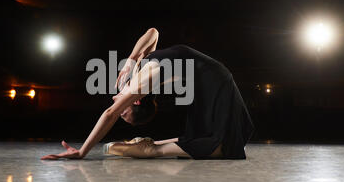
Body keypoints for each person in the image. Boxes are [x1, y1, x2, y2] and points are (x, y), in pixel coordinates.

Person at [41, 28, 254, 160]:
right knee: (210, 142)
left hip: (214, 77)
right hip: (214, 79)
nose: (119, 109)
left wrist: (132, 58)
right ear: (137, 100)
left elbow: (153, 33)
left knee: (216, 145)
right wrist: (83, 151)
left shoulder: (136, 75)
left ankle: (148, 147)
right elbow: (109, 114)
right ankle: (149, 145)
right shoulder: (142, 83)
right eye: (125, 113)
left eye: (123, 115)